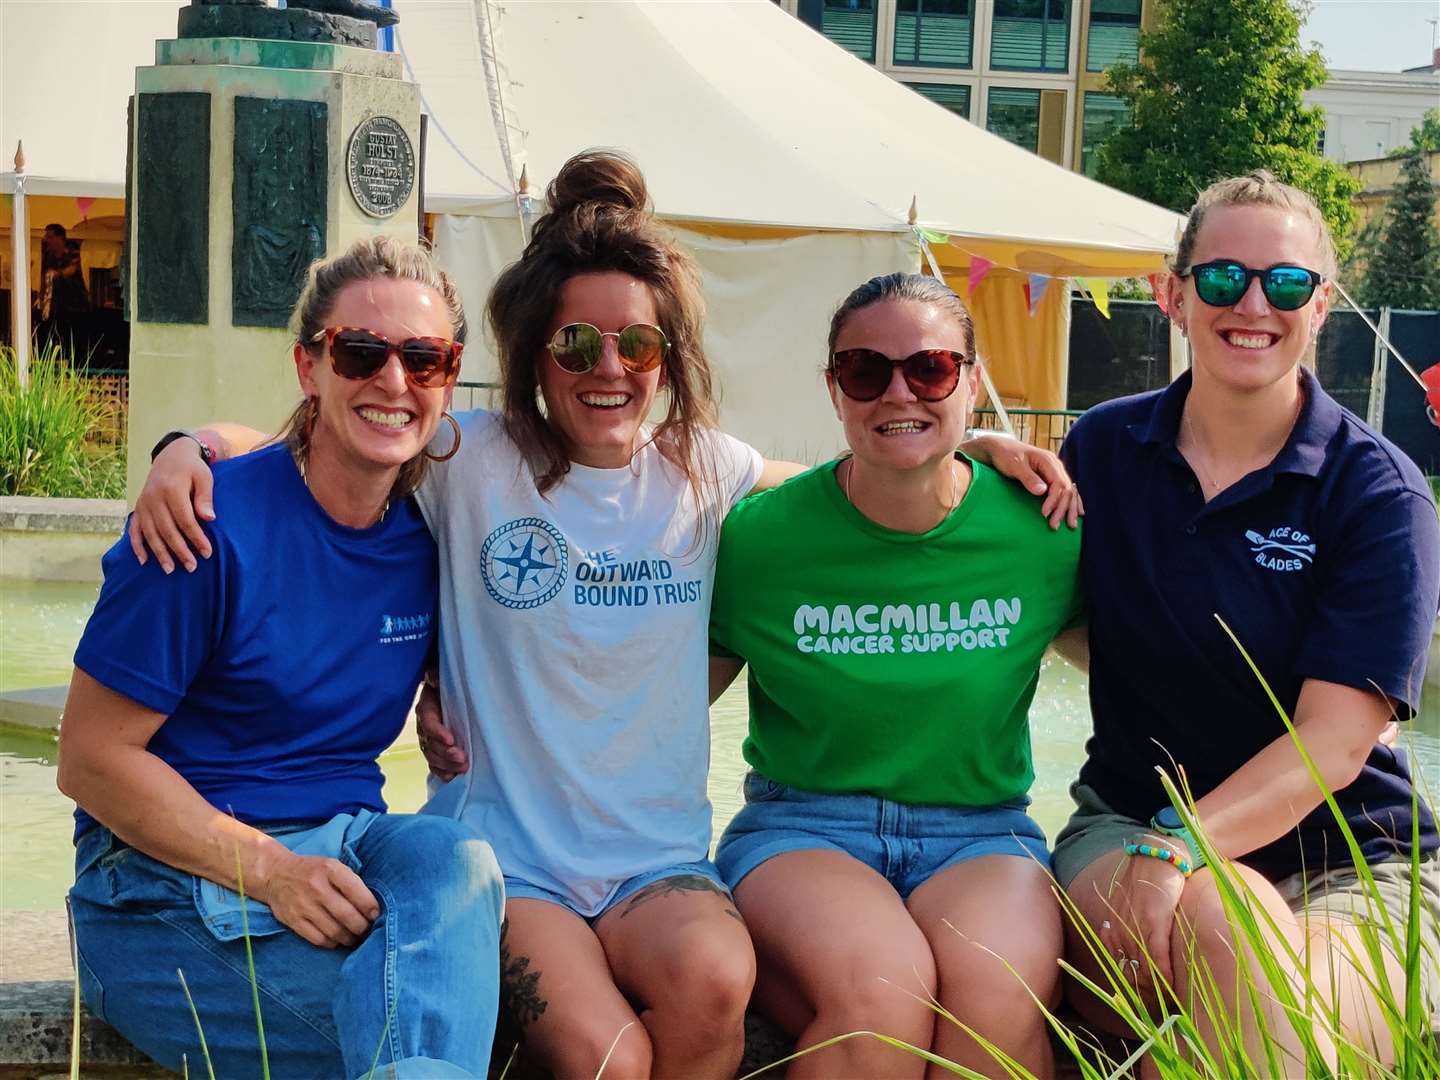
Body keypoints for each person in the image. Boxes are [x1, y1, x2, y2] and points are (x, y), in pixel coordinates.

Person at [129, 151, 1080, 1079]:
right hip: (509, 862)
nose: (609, 368)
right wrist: (193, 446)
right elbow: (339, 435)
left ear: (670, 358)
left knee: (716, 985)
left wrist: (977, 440)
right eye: (577, 345)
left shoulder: (712, 472)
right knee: (608, 1062)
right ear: (537, 351)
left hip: (656, 863)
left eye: (640, 345)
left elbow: (871, 478)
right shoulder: (469, 460)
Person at [58, 235, 505, 1080]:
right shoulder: (201, 527)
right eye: (362, 352)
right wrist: (271, 871)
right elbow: (88, 761)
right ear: (310, 367)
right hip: (158, 887)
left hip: (344, 851)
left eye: (425, 357)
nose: (394, 381)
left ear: (450, 377)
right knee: (403, 1048)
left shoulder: (426, 536)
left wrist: (442, 688)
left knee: (457, 857)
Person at [1053, 171, 1440, 1075]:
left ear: (1322, 306)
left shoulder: (1379, 493)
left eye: (1288, 283)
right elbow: (1002, 577)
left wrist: (1182, 845)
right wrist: (973, 454)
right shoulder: (1102, 451)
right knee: (1228, 921)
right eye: (1225, 278)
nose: (1253, 304)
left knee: (1255, 1008)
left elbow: (1333, 746)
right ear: (1173, 293)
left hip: (1362, 862)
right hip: (1129, 820)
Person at [706, 273, 1084, 1079]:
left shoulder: (1044, 529)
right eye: (866, 372)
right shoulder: (759, 538)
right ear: (835, 390)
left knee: (1000, 996)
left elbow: (1154, 667)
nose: (898, 392)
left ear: (973, 383)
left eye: (932, 370)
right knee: (883, 995)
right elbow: (662, 697)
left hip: (980, 832)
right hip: (804, 828)